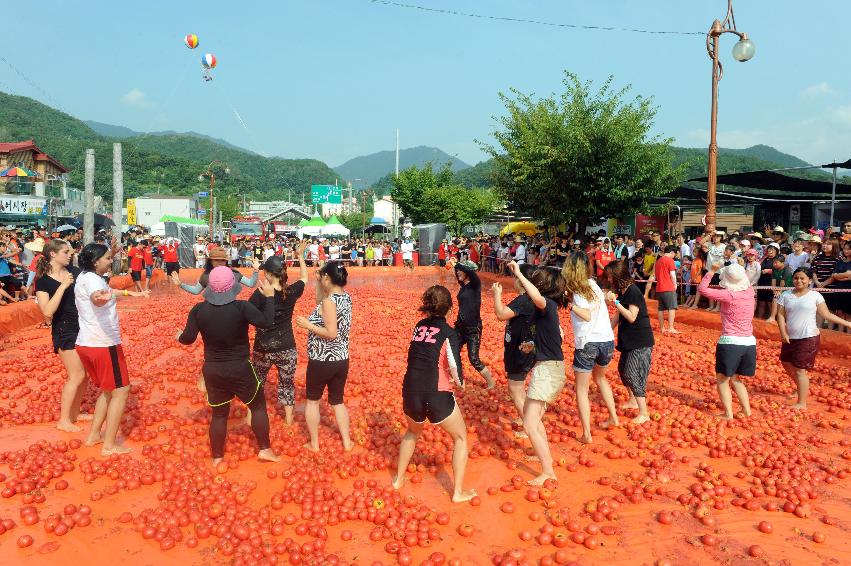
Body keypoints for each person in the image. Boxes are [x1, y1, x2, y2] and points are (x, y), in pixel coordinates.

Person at [177, 266, 279, 466]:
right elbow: (267, 322)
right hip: (239, 367)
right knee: (257, 407)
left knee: (219, 414)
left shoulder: (198, 310)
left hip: (213, 370)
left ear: (210, 288)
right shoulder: (241, 307)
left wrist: (178, 336)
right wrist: (269, 297)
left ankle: (217, 457)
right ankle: (265, 449)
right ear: (233, 286)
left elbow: (187, 339)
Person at [392, 285, 476, 502]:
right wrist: (461, 383)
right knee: (460, 437)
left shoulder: (419, 326)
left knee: (412, 432)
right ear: (449, 310)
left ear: (427, 307)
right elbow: (455, 365)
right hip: (436, 391)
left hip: (410, 389)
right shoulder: (448, 331)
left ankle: (398, 480)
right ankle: (457, 493)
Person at [75, 243, 149, 455]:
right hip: (102, 343)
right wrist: (101, 298)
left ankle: (94, 436)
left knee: (108, 390)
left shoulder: (85, 276)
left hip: (87, 342)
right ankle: (109, 445)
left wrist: (128, 293)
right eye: (107, 258)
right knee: (121, 390)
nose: (111, 261)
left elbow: (105, 291)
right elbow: (97, 297)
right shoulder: (92, 280)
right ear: (95, 261)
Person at [506, 261, 566, 484]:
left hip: (548, 371)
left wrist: (520, 275)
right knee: (535, 421)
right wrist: (533, 346)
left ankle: (548, 471)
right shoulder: (546, 312)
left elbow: (537, 298)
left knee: (530, 424)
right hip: (549, 369)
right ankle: (546, 462)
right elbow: (552, 339)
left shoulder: (547, 304)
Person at [296, 262, 353, 452]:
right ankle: (346, 442)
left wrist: (308, 325)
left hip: (322, 360)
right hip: (341, 359)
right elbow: (321, 301)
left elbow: (331, 333)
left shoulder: (330, 302)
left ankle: (314, 444)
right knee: (338, 401)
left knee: (312, 401)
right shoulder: (346, 298)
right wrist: (318, 281)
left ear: (328, 278)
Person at [562, 252, 619, 443]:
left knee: (581, 389)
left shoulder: (578, 292)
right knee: (600, 378)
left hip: (588, 342)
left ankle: (587, 433)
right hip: (607, 340)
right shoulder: (593, 285)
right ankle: (613, 417)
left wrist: (569, 305)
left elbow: (585, 315)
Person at [249, 241, 308, 426]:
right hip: (286, 347)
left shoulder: (260, 294)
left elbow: (247, 315)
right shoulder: (290, 291)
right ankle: (289, 421)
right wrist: (299, 256)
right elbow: (305, 278)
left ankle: (250, 418)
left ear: (267, 274)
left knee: (256, 384)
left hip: (263, 348)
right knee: (287, 385)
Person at [34, 239, 90, 432]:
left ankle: (74, 414)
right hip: (64, 330)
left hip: (82, 327)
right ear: (53, 254)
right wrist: (62, 286)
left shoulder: (74, 273)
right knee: (77, 375)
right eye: (66, 252)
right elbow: (47, 312)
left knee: (86, 376)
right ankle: (63, 420)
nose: (70, 255)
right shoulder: (43, 281)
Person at [777, 268, 851, 409]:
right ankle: (800, 386)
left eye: (802, 278)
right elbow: (780, 315)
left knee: (800, 370)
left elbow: (826, 315)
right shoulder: (786, 295)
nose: (799, 281)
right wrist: (783, 332)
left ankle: (802, 403)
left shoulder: (815, 296)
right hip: (790, 337)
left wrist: (847, 323)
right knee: (786, 363)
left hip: (808, 337)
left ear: (810, 280)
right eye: (796, 278)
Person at [698, 263, 754, 420]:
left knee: (722, 380)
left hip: (731, 342)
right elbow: (741, 277)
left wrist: (712, 271)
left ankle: (728, 413)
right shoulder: (750, 292)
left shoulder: (729, 294)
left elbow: (702, 289)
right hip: (749, 342)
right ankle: (746, 410)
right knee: (736, 379)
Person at [603, 260, 654, 424]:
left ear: (618, 275)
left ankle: (644, 412)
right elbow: (618, 316)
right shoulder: (623, 292)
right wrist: (607, 330)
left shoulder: (633, 291)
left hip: (640, 339)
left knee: (632, 373)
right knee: (623, 370)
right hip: (628, 338)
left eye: (610, 276)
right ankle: (633, 399)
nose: (609, 280)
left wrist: (616, 303)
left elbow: (631, 317)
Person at [491, 264, 537, 422]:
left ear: (520, 280)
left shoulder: (524, 300)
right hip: (526, 348)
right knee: (520, 385)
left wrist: (497, 294)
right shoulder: (535, 297)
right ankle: (526, 418)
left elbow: (501, 314)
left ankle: (530, 426)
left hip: (520, 350)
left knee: (515, 388)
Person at [453, 260, 495, 389]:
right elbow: (458, 273)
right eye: (457, 271)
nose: (458, 272)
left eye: (460, 270)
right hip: (460, 327)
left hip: (473, 328)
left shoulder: (475, 285)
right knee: (453, 351)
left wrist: (458, 263)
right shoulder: (463, 285)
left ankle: (491, 382)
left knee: (473, 359)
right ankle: (459, 379)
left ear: (467, 271)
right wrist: (455, 266)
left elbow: (472, 273)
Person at [654, 245, 679, 333]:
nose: (674, 256)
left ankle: (662, 328)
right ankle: (671, 327)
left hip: (659, 288)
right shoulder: (670, 260)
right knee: (671, 308)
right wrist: (675, 284)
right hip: (668, 287)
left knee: (661, 309)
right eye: (674, 254)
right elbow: (673, 275)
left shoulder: (659, 260)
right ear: (672, 252)